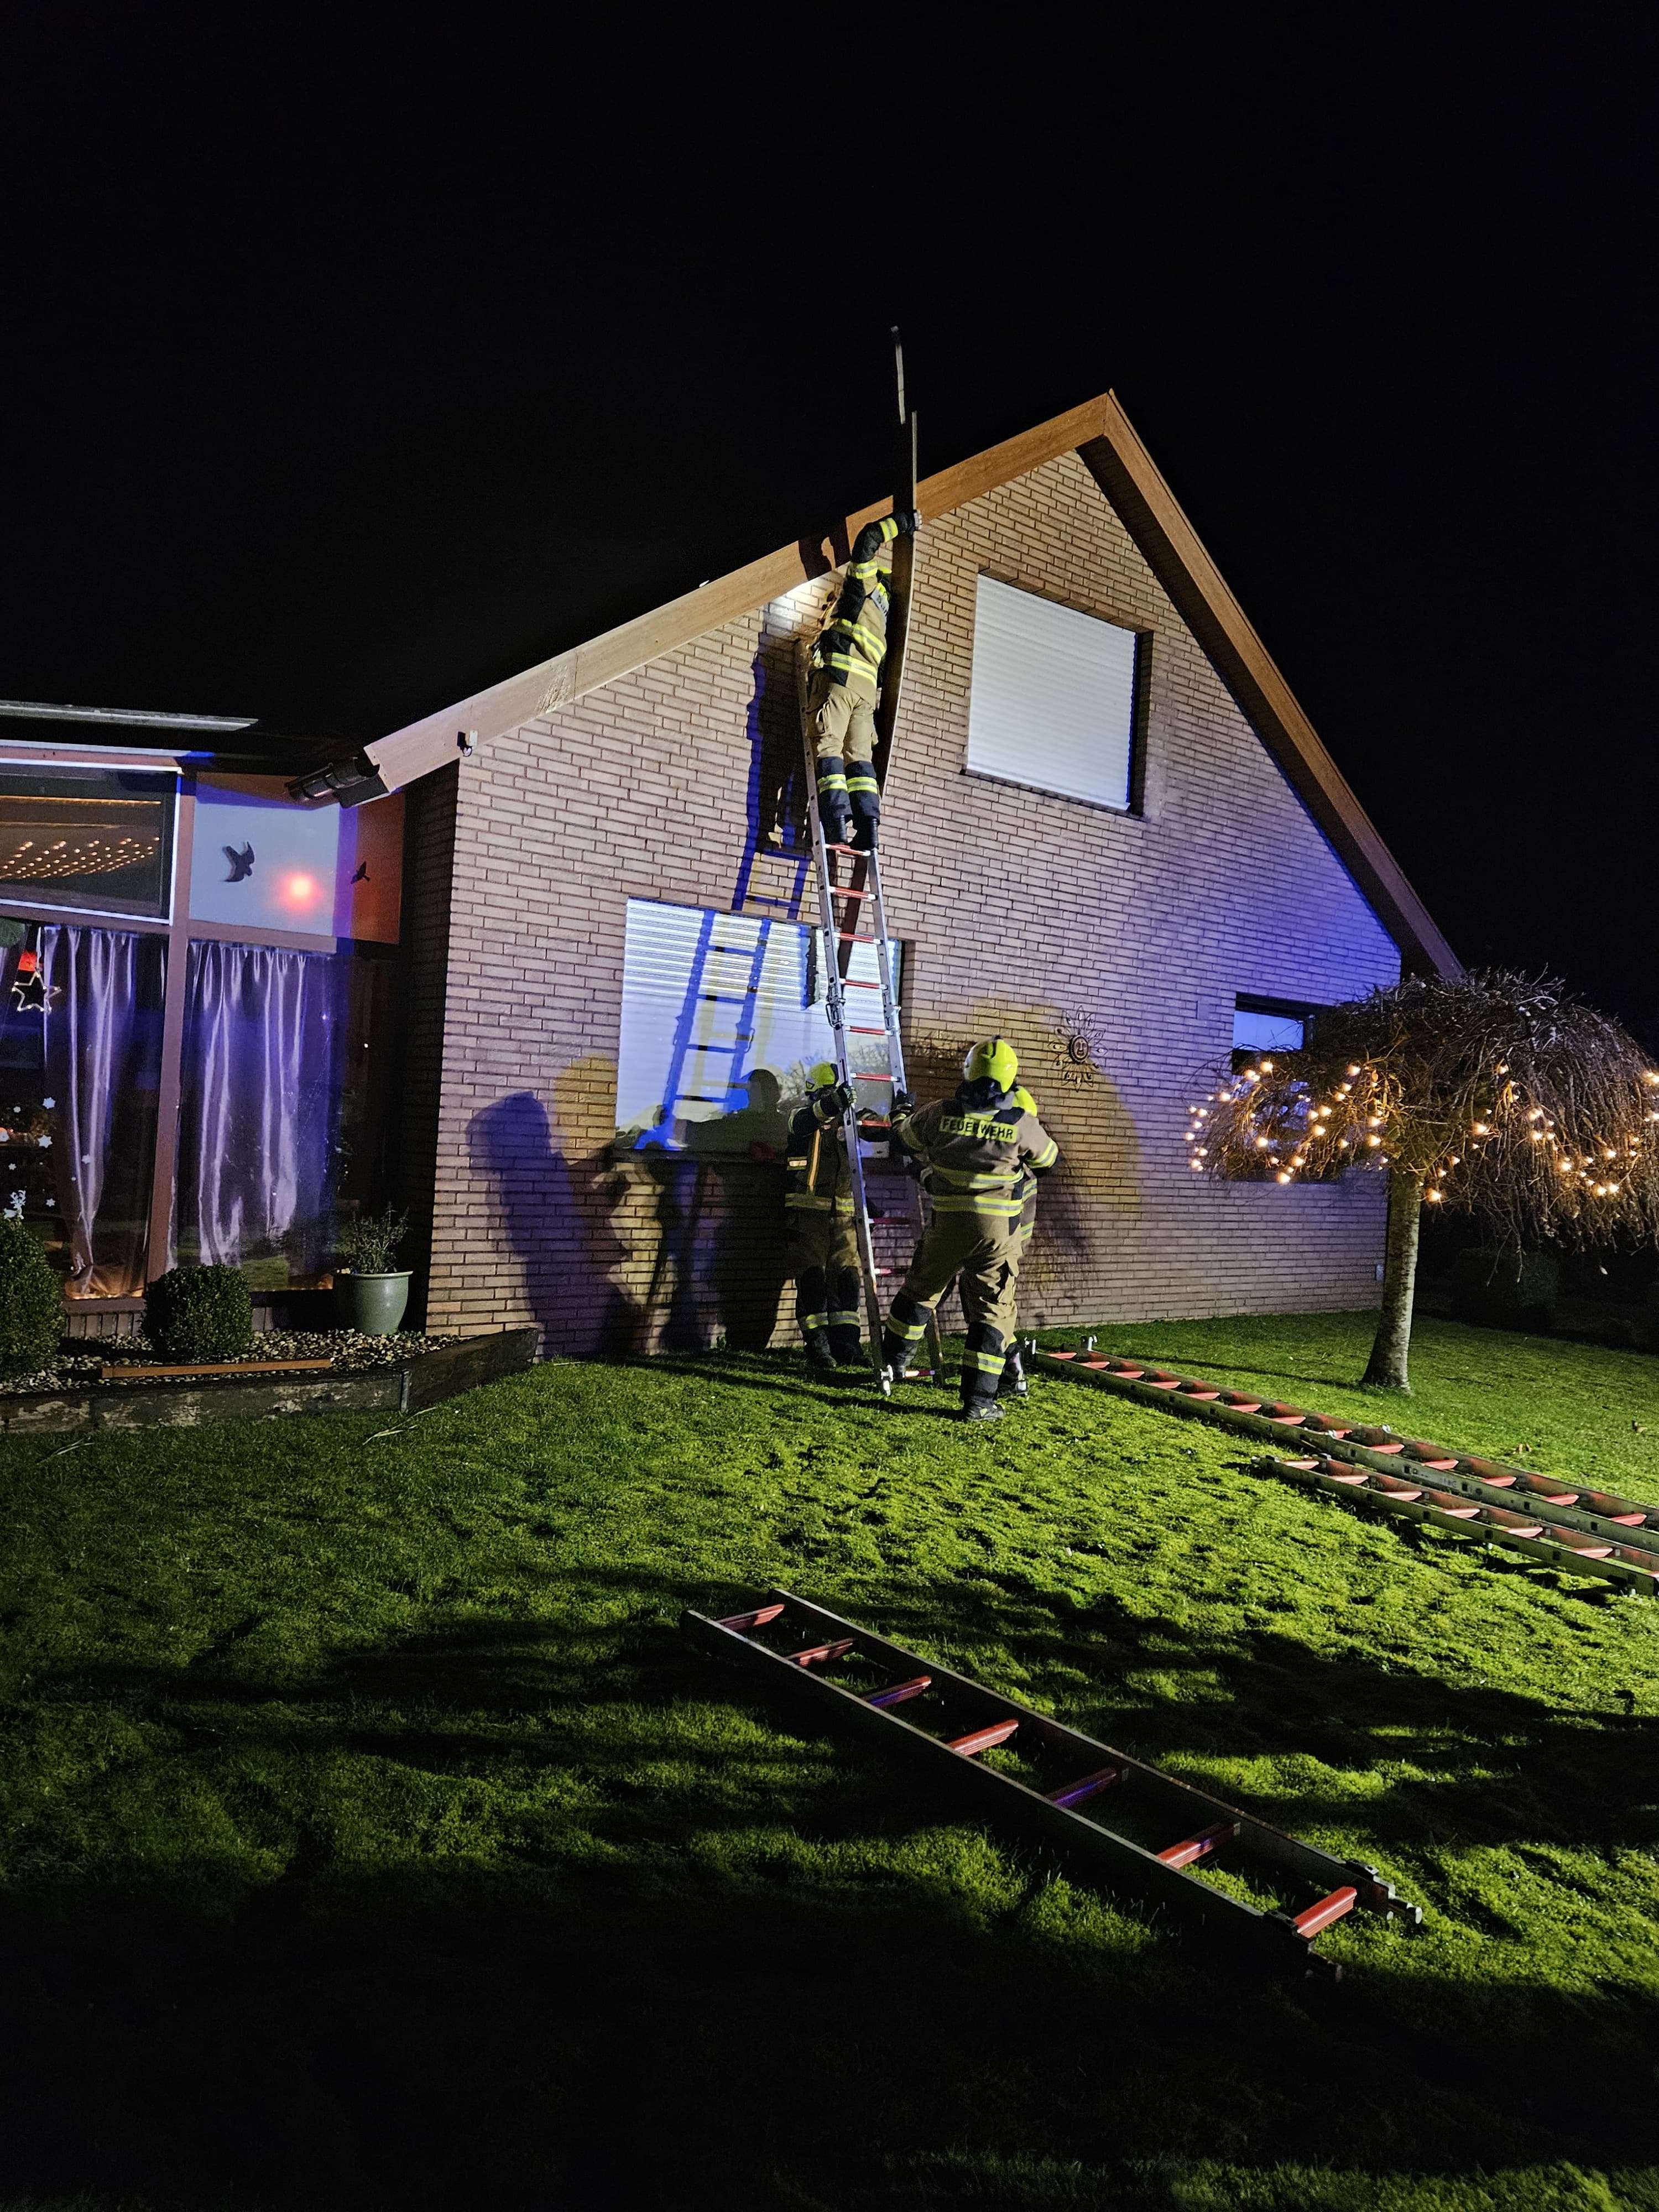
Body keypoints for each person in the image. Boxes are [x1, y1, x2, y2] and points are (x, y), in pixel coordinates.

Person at [881, 1039, 1058, 1421]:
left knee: (920, 1291)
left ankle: (891, 1366)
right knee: (992, 1313)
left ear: (968, 1070)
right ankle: (979, 1402)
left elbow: (902, 1140)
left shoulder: (939, 1113)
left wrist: (900, 1114)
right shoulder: (1020, 1123)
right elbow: (1048, 1163)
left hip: (946, 1224)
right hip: (996, 1234)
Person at [805, 508, 919, 851]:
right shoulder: (888, 611)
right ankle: (868, 831)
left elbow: (868, 538)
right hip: (866, 695)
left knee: (828, 747)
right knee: (859, 759)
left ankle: (836, 827)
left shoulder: (864, 583)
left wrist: (905, 522)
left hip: (839, 680)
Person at [784, 1062, 865, 1369]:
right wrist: (834, 1102)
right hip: (807, 1215)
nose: (836, 1098)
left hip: (843, 1216)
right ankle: (818, 1347)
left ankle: (847, 1347)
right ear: (816, 1093)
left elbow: (874, 1129)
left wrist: (899, 1114)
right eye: (829, 1092)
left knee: (847, 1281)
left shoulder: (849, 1121)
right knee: (812, 1280)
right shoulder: (799, 1117)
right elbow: (809, 1119)